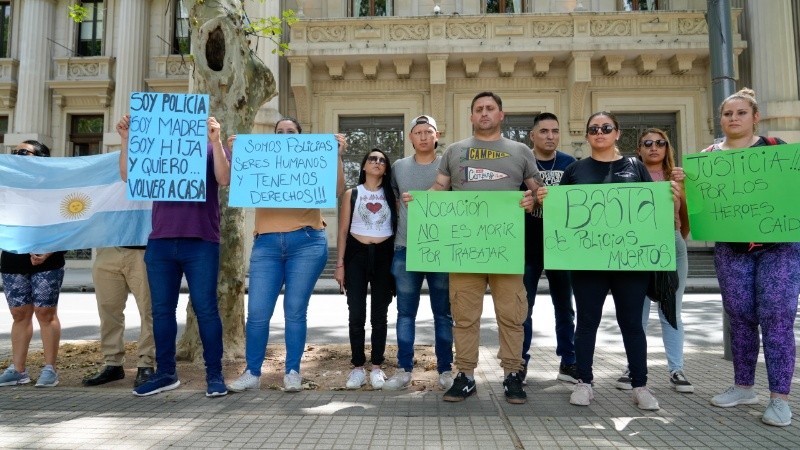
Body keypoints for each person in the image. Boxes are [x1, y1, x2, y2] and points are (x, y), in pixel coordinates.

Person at [405, 92, 541, 404]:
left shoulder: (521, 152)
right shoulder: (454, 151)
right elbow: (440, 188)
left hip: (506, 250)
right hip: (464, 251)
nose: (484, 113)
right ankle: (465, 375)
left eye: (490, 108)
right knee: (464, 316)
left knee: (512, 315)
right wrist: (421, 200)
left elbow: (539, 192)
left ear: (501, 114)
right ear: (471, 116)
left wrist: (532, 200)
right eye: (478, 109)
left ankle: (512, 374)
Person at [537, 111, 679, 411]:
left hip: (630, 262)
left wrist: (673, 196)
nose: (599, 132)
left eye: (606, 128)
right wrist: (543, 200)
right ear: (587, 135)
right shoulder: (575, 170)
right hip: (588, 264)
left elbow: (653, 212)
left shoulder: (635, 166)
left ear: (617, 133)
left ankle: (640, 385)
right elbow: (561, 216)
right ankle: (584, 383)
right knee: (587, 322)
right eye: (593, 128)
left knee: (632, 324)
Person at [227, 117, 346, 393]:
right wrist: (237, 155)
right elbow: (239, 185)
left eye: (290, 132)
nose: (283, 135)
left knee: (294, 311)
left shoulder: (313, 159)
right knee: (257, 313)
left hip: (306, 242)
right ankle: (252, 372)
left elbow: (337, 191)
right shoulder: (263, 158)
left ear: (301, 137)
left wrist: (337, 156)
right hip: (266, 244)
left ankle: (292, 372)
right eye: (279, 132)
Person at [117, 114, 231, 398]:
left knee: (206, 309)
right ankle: (166, 373)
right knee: (161, 311)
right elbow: (128, 175)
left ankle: (214, 374)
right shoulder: (156, 148)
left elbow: (224, 178)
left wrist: (216, 141)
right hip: (161, 241)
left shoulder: (211, 146)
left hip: (202, 240)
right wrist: (126, 140)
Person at [706, 88, 799, 427]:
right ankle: (743, 386)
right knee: (741, 317)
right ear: (721, 119)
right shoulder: (709, 156)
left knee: (776, 317)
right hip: (732, 249)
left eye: (741, 113)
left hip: (780, 247)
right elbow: (704, 206)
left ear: (755, 117)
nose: (733, 118)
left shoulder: (776, 150)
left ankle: (780, 399)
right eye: (728, 113)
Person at [613, 128, 693, 393]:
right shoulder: (627, 176)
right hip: (638, 247)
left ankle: (676, 369)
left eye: (661, 143)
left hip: (671, 245)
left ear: (667, 148)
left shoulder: (678, 180)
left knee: (672, 311)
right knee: (637, 311)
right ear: (639, 149)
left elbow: (686, 221)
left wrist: (672, 241)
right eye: (647, 143)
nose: (654, 147)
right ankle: (633, 367)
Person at [384, 115, 454, 391]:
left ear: (437, 136)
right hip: (405, 248)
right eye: (418, 132)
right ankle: (403, 369)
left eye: (429, 131)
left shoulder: (448, 165)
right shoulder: (399, 168)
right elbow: (388, 200)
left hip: (441, 250)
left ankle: (446, 370)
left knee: (443, 314)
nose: (424, 136)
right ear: (410, 137)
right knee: (404, 313)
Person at [0, 141, 65, 388]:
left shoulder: (55, 188)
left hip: (48, 258)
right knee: (19, 314)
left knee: (45, 313)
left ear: (41, 158)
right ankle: (18, 371)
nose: (17, 155)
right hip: (13, 257)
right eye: (14, 152)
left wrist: (49, 251)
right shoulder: (6, 187)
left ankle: (50, 369)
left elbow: (70, 223)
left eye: (23, 152)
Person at [519, 112, 578, 385]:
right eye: (543, 131)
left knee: (564, 306)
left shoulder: (570, 164)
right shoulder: (521, 161)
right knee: (523, 307)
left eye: (554, 131)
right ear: (532, 135)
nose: (550, 136)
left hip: (562, 246)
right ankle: (520, 362)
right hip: (528, 246)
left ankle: (568, 361)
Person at [336, 148, 397, 390]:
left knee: (380, 316)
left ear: (386, 168)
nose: (377, 162)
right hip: (356, 255)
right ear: (363, 165)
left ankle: (377, 367)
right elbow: (342, 231)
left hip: (384, 255)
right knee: (356, 314)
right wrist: (340, 264)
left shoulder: (391, 195)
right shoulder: (353, 194)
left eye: (382, 160)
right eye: (372, 158)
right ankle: (358, 367)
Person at [83, 246, 154, 388]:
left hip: (142, 249)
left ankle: (146, 363)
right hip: (108, 248)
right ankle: (113, 363)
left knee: (149, 311)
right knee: (108, 311)